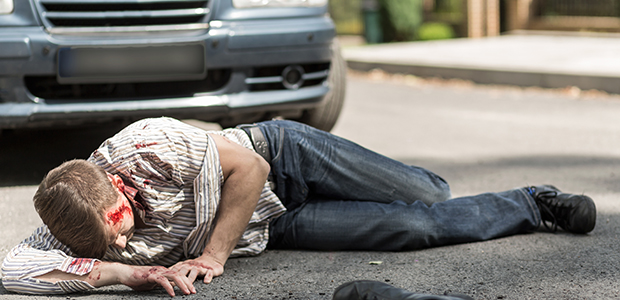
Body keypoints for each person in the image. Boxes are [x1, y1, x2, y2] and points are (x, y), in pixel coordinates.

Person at [1, 117, 596, 297]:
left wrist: (212, 254)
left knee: (430, 192)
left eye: (117, 240)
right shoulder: (71, 222)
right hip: (269, 223)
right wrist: (127, 273)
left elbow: (250, 169)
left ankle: (520, 194)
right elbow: (10, 269)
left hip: (280, 157)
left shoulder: (147, 144)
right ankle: (533, 203)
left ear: (114, 207)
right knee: (415, 225)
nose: (121, 246)